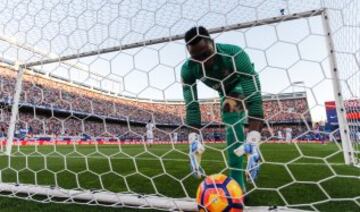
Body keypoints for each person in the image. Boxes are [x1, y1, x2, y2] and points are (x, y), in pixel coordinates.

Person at [181, 26, 264, 191]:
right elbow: (191, 106)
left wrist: (254, 138)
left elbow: (254, 98)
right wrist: (193, 138)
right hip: (223, 91)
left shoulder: (234, 54)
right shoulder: (189, 69)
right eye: (196, 57)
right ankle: (237, 177)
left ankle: (237, 185)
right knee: (230, 123)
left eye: (205, 54)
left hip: (241, 84)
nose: (203, 61)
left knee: (230, 111)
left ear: (212, 43)